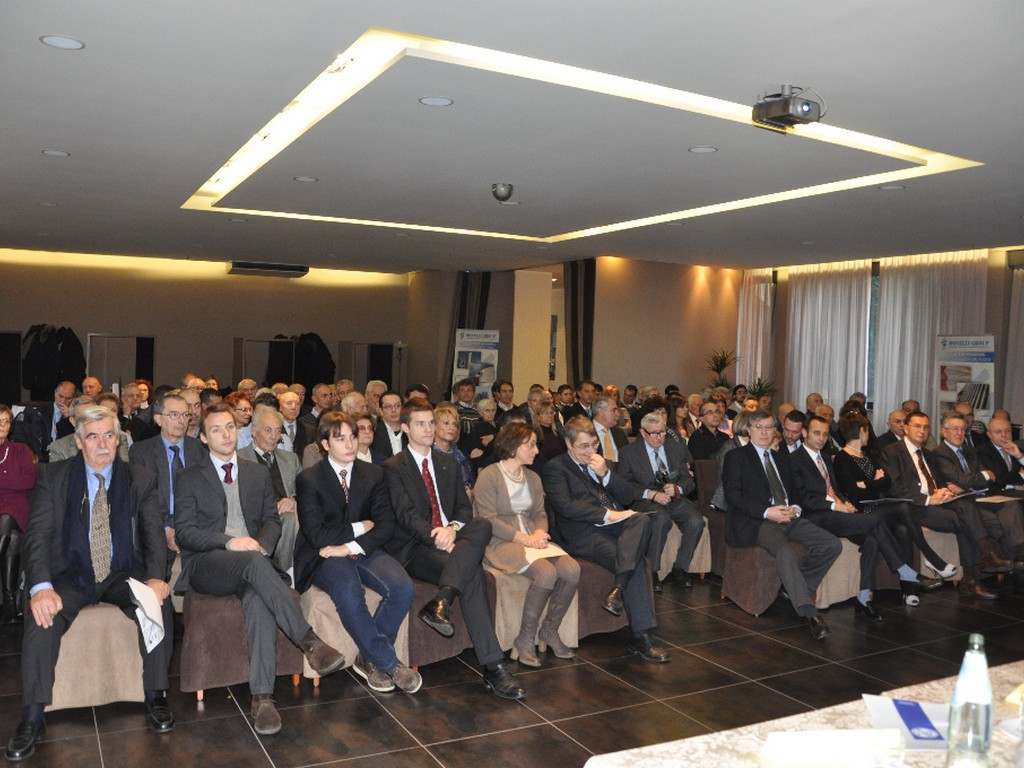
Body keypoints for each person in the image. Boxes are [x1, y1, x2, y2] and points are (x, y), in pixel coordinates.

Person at [6, 406, 174, 762]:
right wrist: (41, 587)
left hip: (122, 572)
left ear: (119, 440)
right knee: (41, 617)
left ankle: (155, 696)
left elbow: (153, 535)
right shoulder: (53, 477)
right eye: (93, 437)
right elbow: (37, 537)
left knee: (157, 605)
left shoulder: (139, 478)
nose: (102, 444)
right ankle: (32, 717)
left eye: (109, 435)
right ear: (79, 442)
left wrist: (156, 577)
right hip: (71, 573)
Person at [173, 403, 345, 735]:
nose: (225, 435)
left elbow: (271, 520)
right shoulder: (189, 477)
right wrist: (229, 542)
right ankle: (308, 640)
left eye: (229, 427)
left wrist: (262, 546)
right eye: (216, 430)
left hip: (253, 564)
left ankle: (263, 698)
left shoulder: (255, 472)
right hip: (208, 564)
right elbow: (185, 532)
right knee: (254, 563)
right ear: (204, 438)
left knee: (258, 599)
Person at [382, 398, 524, 700]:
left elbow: (463, 507)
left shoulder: (447, 463)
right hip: (416, 548)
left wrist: (453, 530)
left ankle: (442, 601)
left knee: (482, 525)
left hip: (454, 539)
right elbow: (405, 515)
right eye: (420, 424)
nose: (428, 429)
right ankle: (494, 667)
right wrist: (437, 536)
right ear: (405, 428)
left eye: (431, 423)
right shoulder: (393, 467)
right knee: (472, 574)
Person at [294, 411, 420, 693]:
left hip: (363, 548)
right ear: (325, 444)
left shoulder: (373, 473)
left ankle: (368, 658)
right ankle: (389, 663)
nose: (350, 444)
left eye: (352, 436)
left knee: (402, 587)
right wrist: (361, 526)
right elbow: (316, 534)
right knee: (350, 591)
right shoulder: (309, 479)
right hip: (322, 554)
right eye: (340, 439)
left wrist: (350, 546)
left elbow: (385, 525)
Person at [541, 416, 670, 663]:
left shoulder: (602, 464)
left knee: (642, 520)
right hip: (583, 532)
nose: (590, 451)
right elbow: (566, 506)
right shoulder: (555, 468)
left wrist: (606, 475)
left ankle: (618, 589)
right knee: (637, 562)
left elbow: (628, 495)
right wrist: (609, 515)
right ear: (568, 443)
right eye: (583, 446)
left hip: (615, 525)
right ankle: (642, 637)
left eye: (594, 445)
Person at [790, 415, 941, 618]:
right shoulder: (794, 460)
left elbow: (836, 489)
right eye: (817, 433)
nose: (822, 438)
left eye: (825, 434)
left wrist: (845, 502)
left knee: (872, 538)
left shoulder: (824, 458)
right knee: (875, 521)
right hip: (815, 516)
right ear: (804, 433)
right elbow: (802, 497)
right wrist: (835, 505)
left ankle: (863, 597)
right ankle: (906, 572)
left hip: (836, 512)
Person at [722, 410, 842, 640]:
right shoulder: (736, 457)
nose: (765, 432)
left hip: (788, 517)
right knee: (785, 550)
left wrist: (794, 508)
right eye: (759, 427)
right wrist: (768, 511)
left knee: (831, 544)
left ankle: (796, 586)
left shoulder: (782, 459)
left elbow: (795, 493)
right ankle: (809, 613)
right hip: (757, 521)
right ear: (749, 430)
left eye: (769, 427)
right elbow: (733, 495)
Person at [473, 423, 580, 666]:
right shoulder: (489, 475)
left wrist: (540, 532)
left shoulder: (533, 477)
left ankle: (549, 631)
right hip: (499, 541)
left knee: (572, 569)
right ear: (512, 446)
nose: (536, 450)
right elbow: (487, 519)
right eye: (531, 445)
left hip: (531, 538)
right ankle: (524, 639)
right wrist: (524, 538)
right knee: (546, 573)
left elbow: (540, 513)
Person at [833, 413, 958, 605]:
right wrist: (873, 482)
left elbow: (886, 482)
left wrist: (866, 484)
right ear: (862, 431)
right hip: (863, 511)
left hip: (878, 506)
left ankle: (909, 590)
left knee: (903, 530)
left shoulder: (867, 455)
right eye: (867, 430)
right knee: (903, 507)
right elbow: (853, 492)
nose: (869, 434)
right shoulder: (842, 458)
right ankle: (932, 558)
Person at [879, 411, 997, 599]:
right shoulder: (892, 451)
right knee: (964, 519)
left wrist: (945, 490)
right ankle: (976, 570)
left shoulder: (927, 454)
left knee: (966, 504)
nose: (922, 430)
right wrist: (928, 499)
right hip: (913, 507)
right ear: (906, 428)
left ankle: (977, 570)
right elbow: (894, 487)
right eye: (917, 426)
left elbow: (937, 480)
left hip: (937, 501)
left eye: (926, 427)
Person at [617, 412, 704, 590]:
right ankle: (652, 571)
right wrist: (650, 494)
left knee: (696, 521)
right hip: (646, 500)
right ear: (643, 433)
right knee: (660, 519)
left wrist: (677, 489)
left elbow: (688, 481)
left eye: (662, 432)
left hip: (674, 498)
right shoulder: (628, 453)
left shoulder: (675, 448)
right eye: (654, 433)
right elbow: (623, 487)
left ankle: (680, 568)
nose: (659, 437)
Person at [128, 392, 206, 578]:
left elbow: (205, 496)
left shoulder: (200, 450)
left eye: (185, 415)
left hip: (193, 524)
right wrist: (165, 528)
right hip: (157, 524)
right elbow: (144, 500)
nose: (181, 420)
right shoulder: (141, 451)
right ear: (158, 419)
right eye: (174, 415)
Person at [237, 407, 302, 575]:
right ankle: (284, 573)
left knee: (291, 517)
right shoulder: (238, 458)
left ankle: (286, 572)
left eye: (278, 431)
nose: (273, 436)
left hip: (288, 514)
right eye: (268, 430)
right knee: (289, 519)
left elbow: (307, 490)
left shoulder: (291, 459)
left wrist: (293, 500)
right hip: (255, 518)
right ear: (253, 430)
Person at [0, 404, 35, 622]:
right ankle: (10, 602)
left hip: (16, 507)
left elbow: (28, 481)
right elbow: (17, 481)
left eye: (6, 421)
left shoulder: (20, 450)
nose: (2, 426)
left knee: (6, 518)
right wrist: (11, 481)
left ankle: (10, 602)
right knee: (12, 538)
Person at [433, 404, 477, 497]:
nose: (452, 427)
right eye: (446, 423)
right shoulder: (428, 454)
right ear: (434, 426)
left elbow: (470, 483)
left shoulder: (461, 454)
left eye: (454, 424)